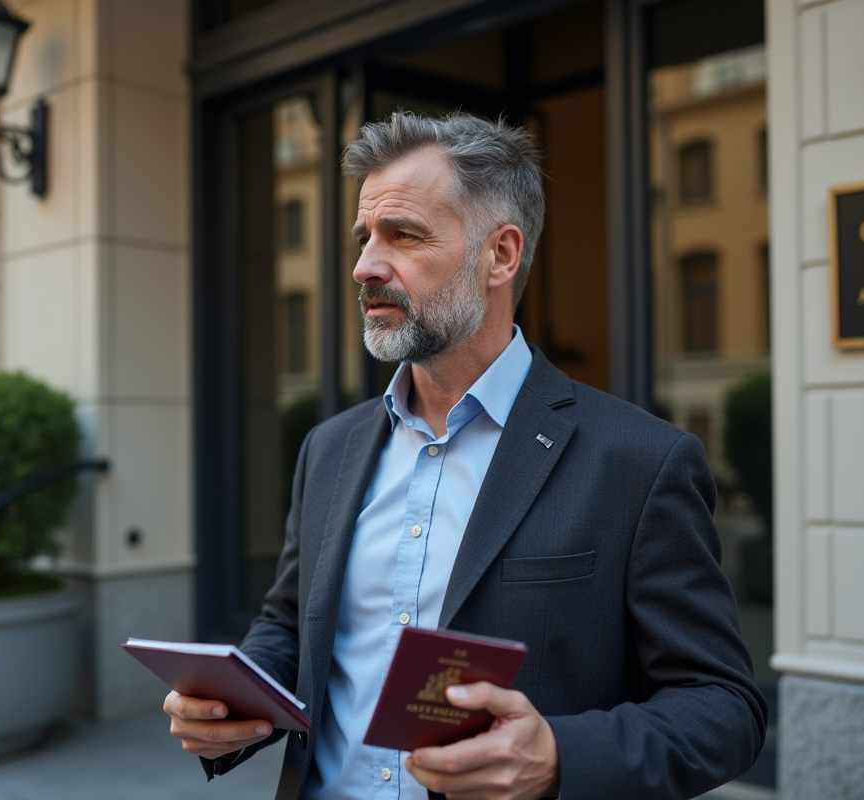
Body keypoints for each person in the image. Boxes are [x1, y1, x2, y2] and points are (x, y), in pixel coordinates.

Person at [164, 111, 767, 800]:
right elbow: (289, 626)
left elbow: (725, 708)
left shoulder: (639, 461)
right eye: (364, 238)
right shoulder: (328, 449)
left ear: (500, 256)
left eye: (404, 235)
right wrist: (235, 701)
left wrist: (560, 757)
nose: (365, 266)